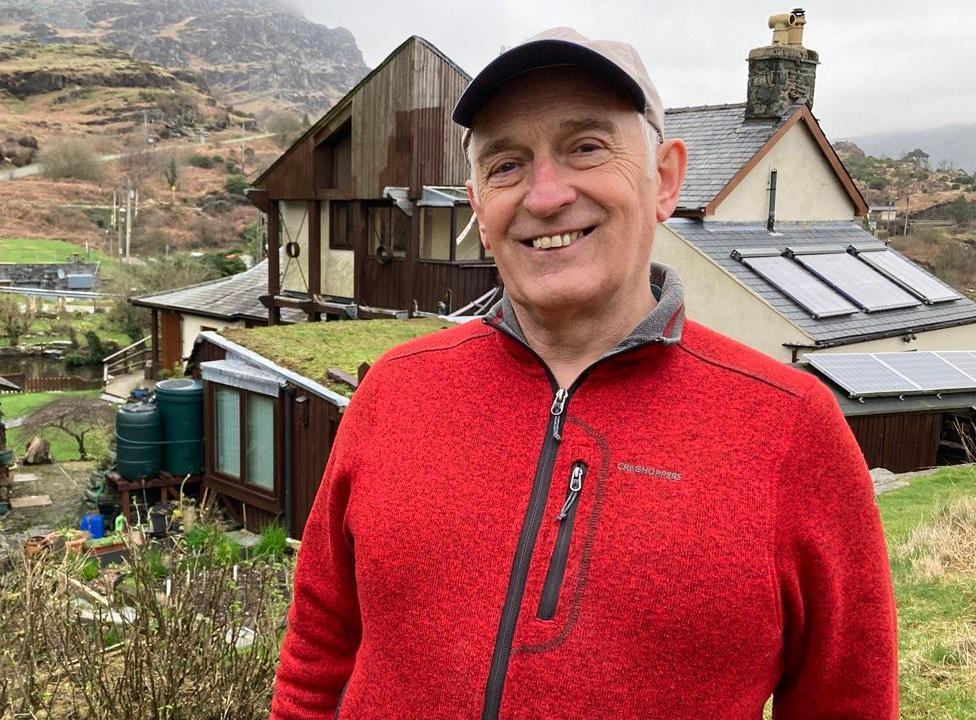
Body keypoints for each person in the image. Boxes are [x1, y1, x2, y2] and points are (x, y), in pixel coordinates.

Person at [271, 27, 897, 720]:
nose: (545, 195)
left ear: (663, 179)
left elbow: (849, 701)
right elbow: (317, 656)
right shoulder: (395, 392)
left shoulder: (792, 430)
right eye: (506, 164)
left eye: (586, 148)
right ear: (478, 207)